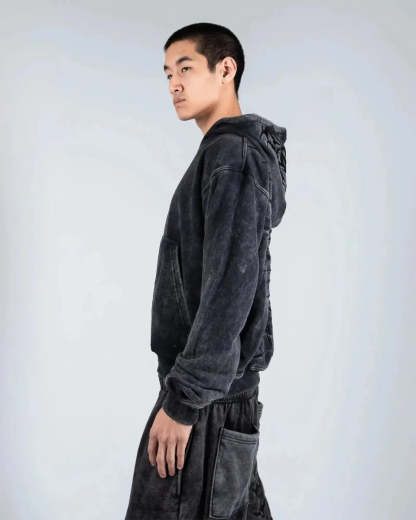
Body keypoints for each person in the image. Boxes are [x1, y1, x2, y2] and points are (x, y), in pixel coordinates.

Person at [124, 22, 287, 520]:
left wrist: (183, 402)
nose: (174, 83)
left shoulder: (232, 156)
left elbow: (229, 289)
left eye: (186, 68)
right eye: (167, 73)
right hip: (216, 397)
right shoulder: (228, 155)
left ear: (225, 69)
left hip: (206, 403)